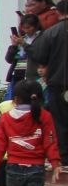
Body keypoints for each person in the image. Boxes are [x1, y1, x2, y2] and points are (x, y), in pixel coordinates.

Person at [27, 12, 68, 153]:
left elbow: (40, 56)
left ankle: (64, 156)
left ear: (59, 13)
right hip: (58, 82)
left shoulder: (51, 32)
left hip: (57, 82)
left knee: (60, 122)